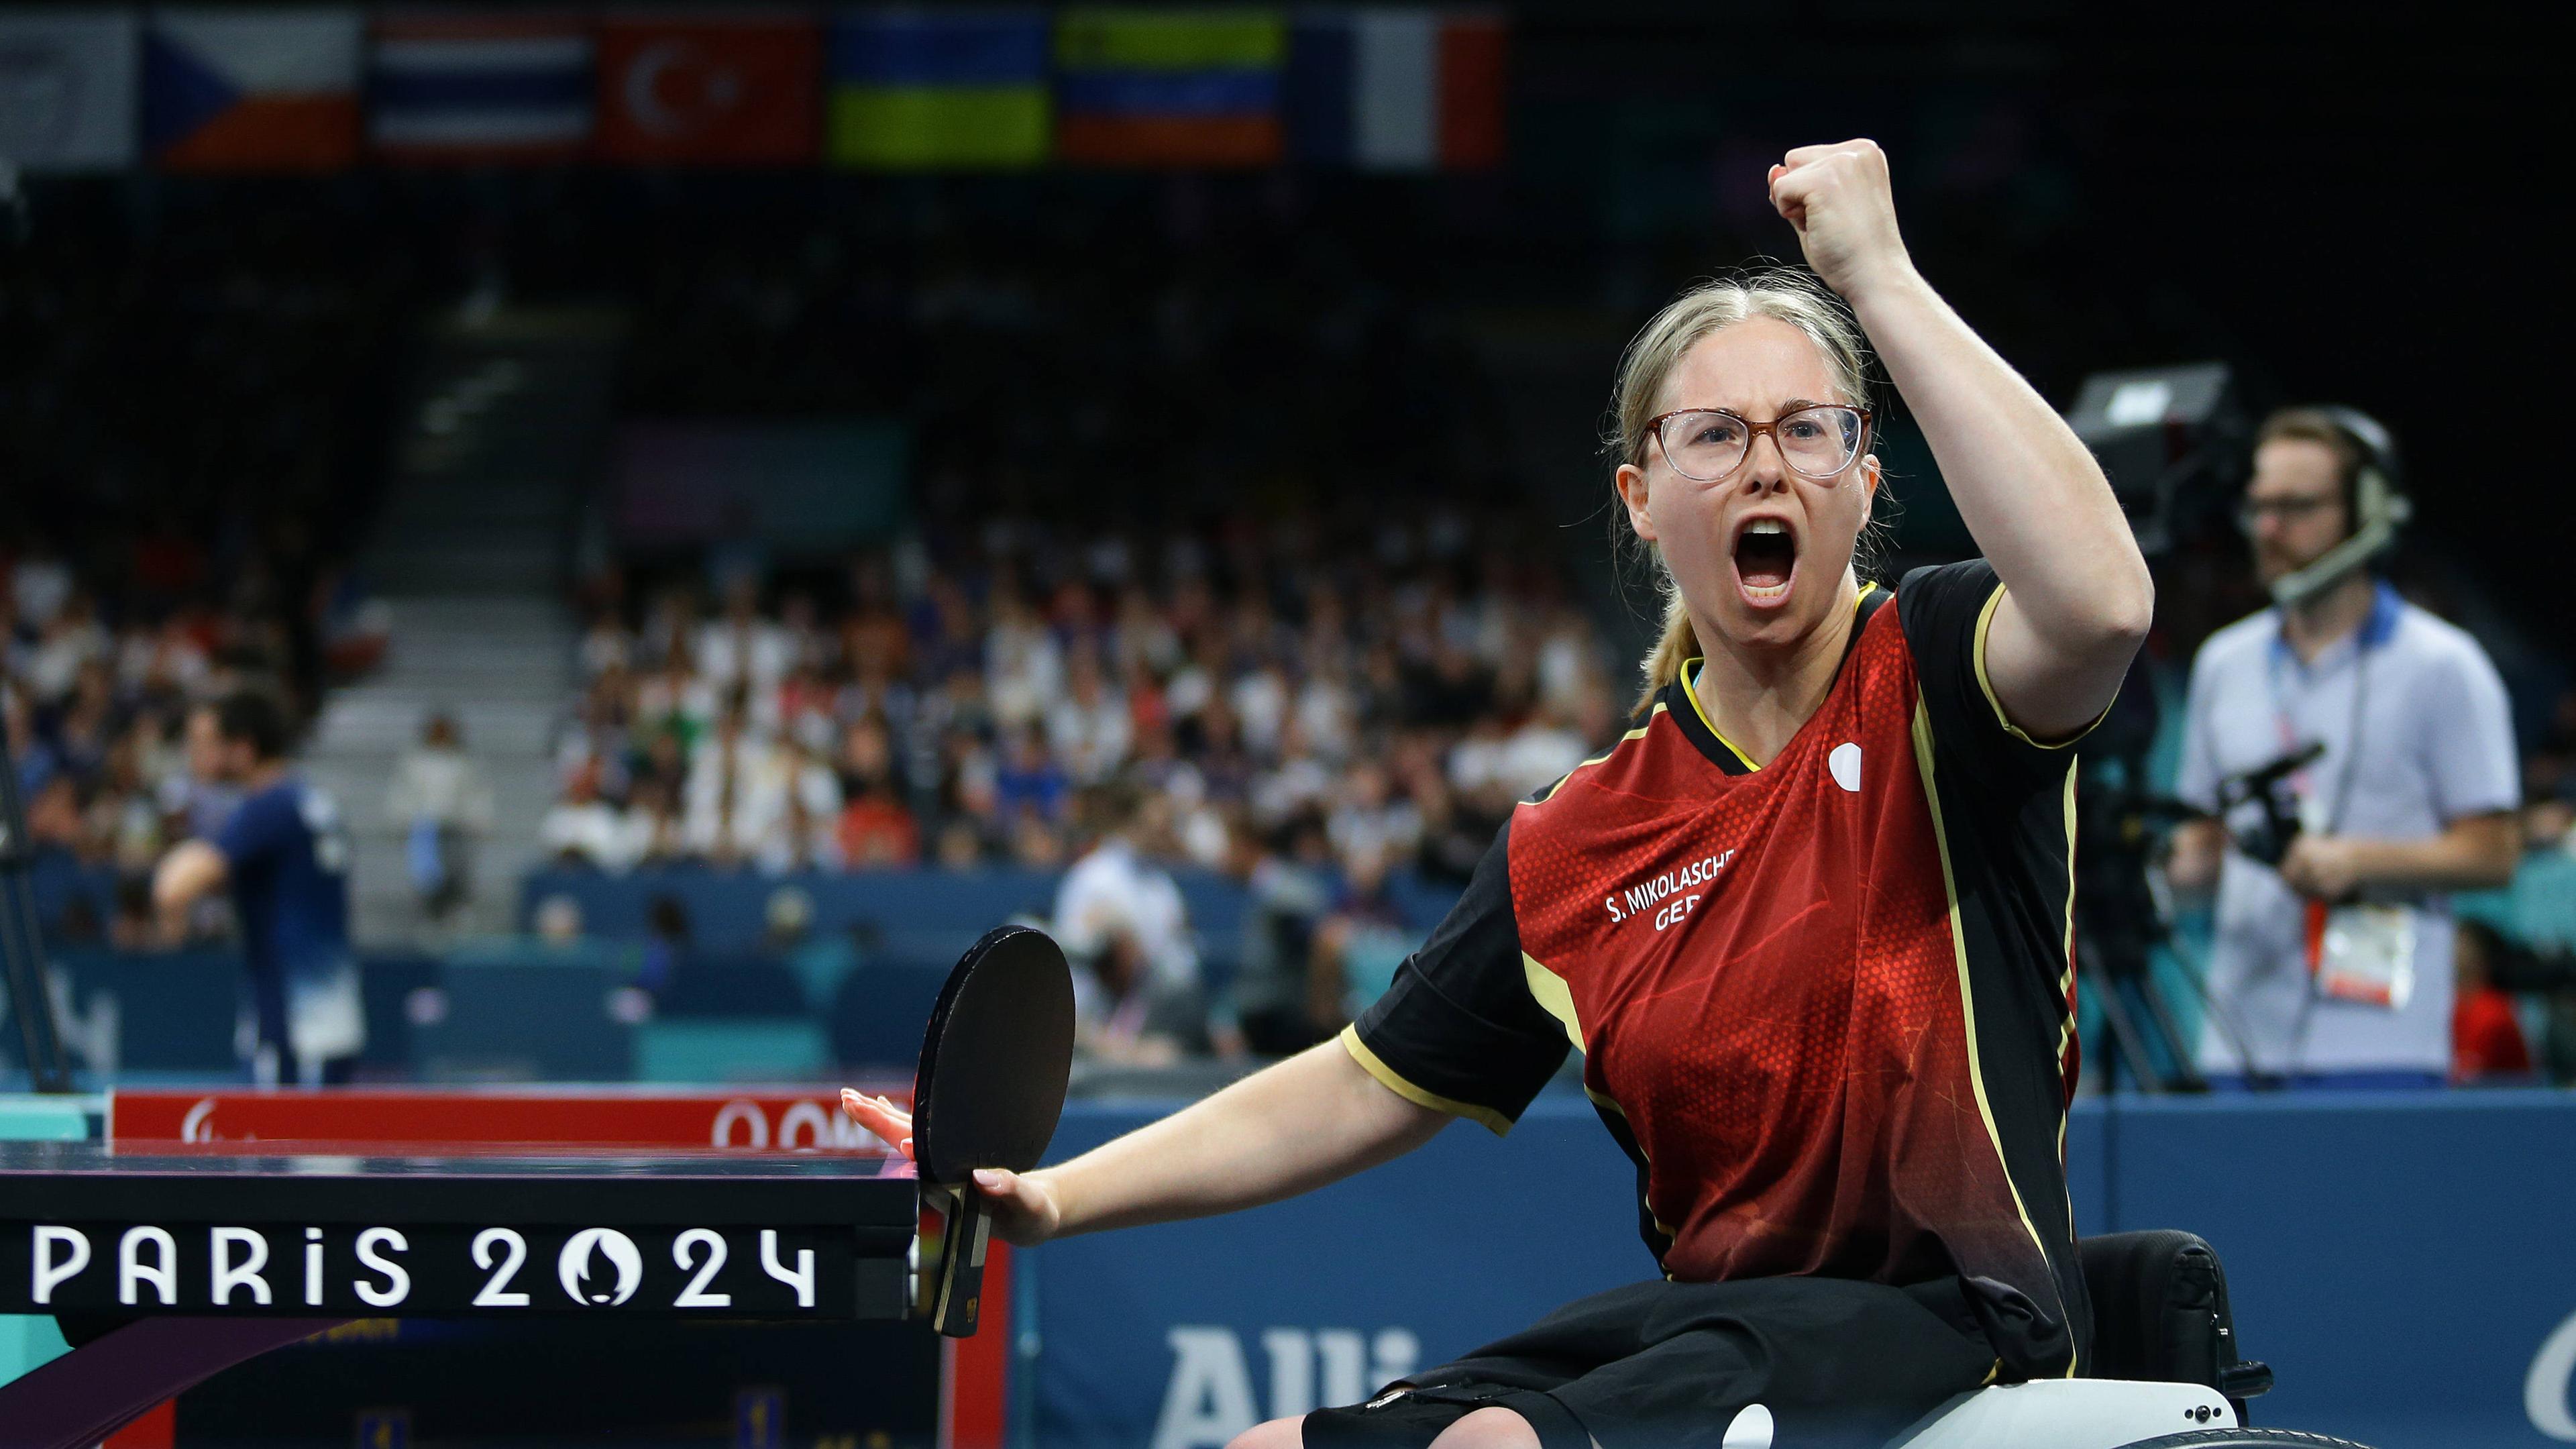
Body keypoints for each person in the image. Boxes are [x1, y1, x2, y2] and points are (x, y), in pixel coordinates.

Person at [844, 140, 2151, 1448]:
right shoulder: (1576, 840)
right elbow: (1363, 1087)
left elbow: (2101, 605)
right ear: (1641, 499)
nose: (1766, 463)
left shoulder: (1934, 676)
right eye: (1717, 434)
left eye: (1809, 429)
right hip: (1712, 1335)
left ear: (1865, 481)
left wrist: (1878, 276)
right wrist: (1061, 1199)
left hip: (1957, 1327)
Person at [2166, 408, 2518, 1085]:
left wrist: (2358, 859)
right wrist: (2172, 863)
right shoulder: (2224, 663)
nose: (2270, 529)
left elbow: (2494, 853)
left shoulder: (2444, 665)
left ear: (2368, 511)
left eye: (2297, 507)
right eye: (2260, 507)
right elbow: (2202, 841)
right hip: (2238, 1038)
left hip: (2383, 1042)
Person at [151, 689, 363, 1085]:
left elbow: (176, 886)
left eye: (205, 743)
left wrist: (170, 900)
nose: (194, 755)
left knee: (282, 1145)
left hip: (292, 1024)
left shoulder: (269, 806)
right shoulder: (306, 799)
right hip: (327, 1017)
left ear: (243, 749)